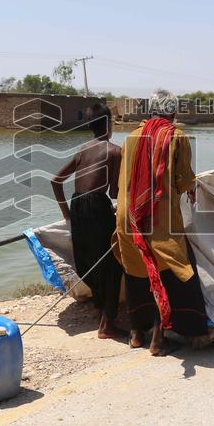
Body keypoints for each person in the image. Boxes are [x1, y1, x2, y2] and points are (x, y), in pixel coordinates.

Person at [113, 89, 208, 355]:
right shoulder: (176, 137)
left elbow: (124, 180)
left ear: (150, 111)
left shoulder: (130, 138)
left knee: (135, 273)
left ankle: (135, 333)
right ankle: (158, 338)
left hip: (128, 218)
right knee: (168, 273)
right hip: (159, 220)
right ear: (173, 112)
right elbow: (184, 181)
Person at [51, 103, 125, 339]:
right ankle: (107, 324)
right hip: (96, 206)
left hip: (77, 204)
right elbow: (113, 193)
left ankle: (99, 309)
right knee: (113, 262)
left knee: (89, 260)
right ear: (109, 125)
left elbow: (55, 181)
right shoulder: (114, 151)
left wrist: (67, 214)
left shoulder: (83, 150)